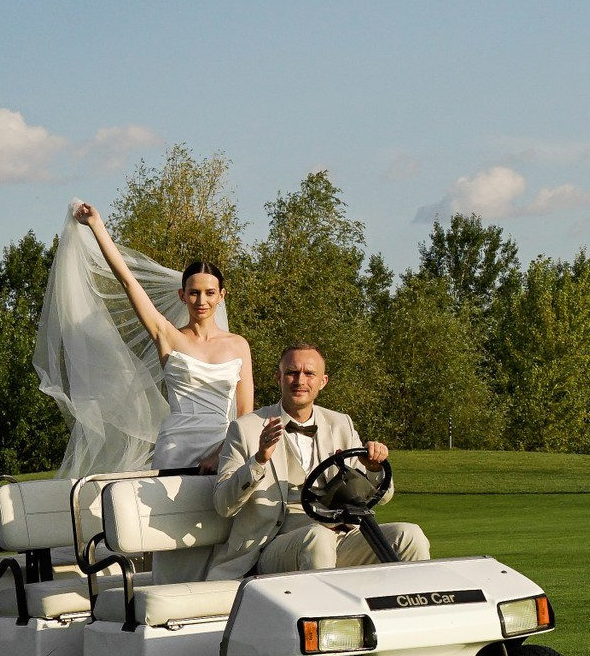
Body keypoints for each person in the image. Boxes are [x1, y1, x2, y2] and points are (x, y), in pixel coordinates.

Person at [69, 200, 255, 477]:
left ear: (221, 296)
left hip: (223, 448)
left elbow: (245, 414)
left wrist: (222, 452)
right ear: (182, 295)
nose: (201, 301)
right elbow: (128, 282)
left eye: (209, 293)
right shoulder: (167, 335)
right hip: (175, 449)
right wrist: (97, 226)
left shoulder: (238, 345)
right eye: (194, 293)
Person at [209, 342, 430, 574]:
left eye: (309, 374)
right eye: (292, 372)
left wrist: (374, 468)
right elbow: (223, 505)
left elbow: (382, 497)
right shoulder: (246, 428)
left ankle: (417, 599)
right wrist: (259, 460)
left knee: (409, 536)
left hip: (340, 537)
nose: (300, 381)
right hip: (271, 546)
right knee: (318, 537)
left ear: (323, 381)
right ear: (279, 378)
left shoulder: (341, 424)